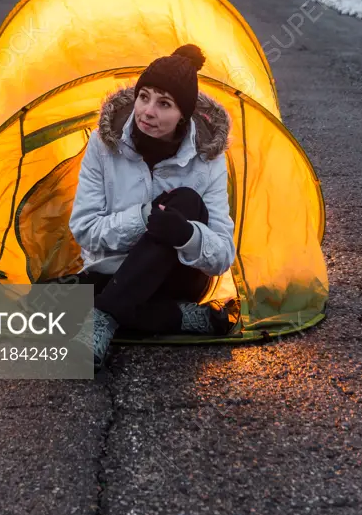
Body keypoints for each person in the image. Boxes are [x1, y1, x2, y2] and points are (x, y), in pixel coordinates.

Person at [67, 43, 239, 371]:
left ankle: (103, 316)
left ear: (183, 116)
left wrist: (187, 235)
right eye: (144, 97)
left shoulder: (208, 159)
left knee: (186, 200)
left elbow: (223, 256)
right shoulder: (103, 145)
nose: (147, 111)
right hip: (114, 270)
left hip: (180, 276)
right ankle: (188, 318)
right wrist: (143, 218)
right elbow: (85, 230)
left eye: (164, 104)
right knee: (43, 305)